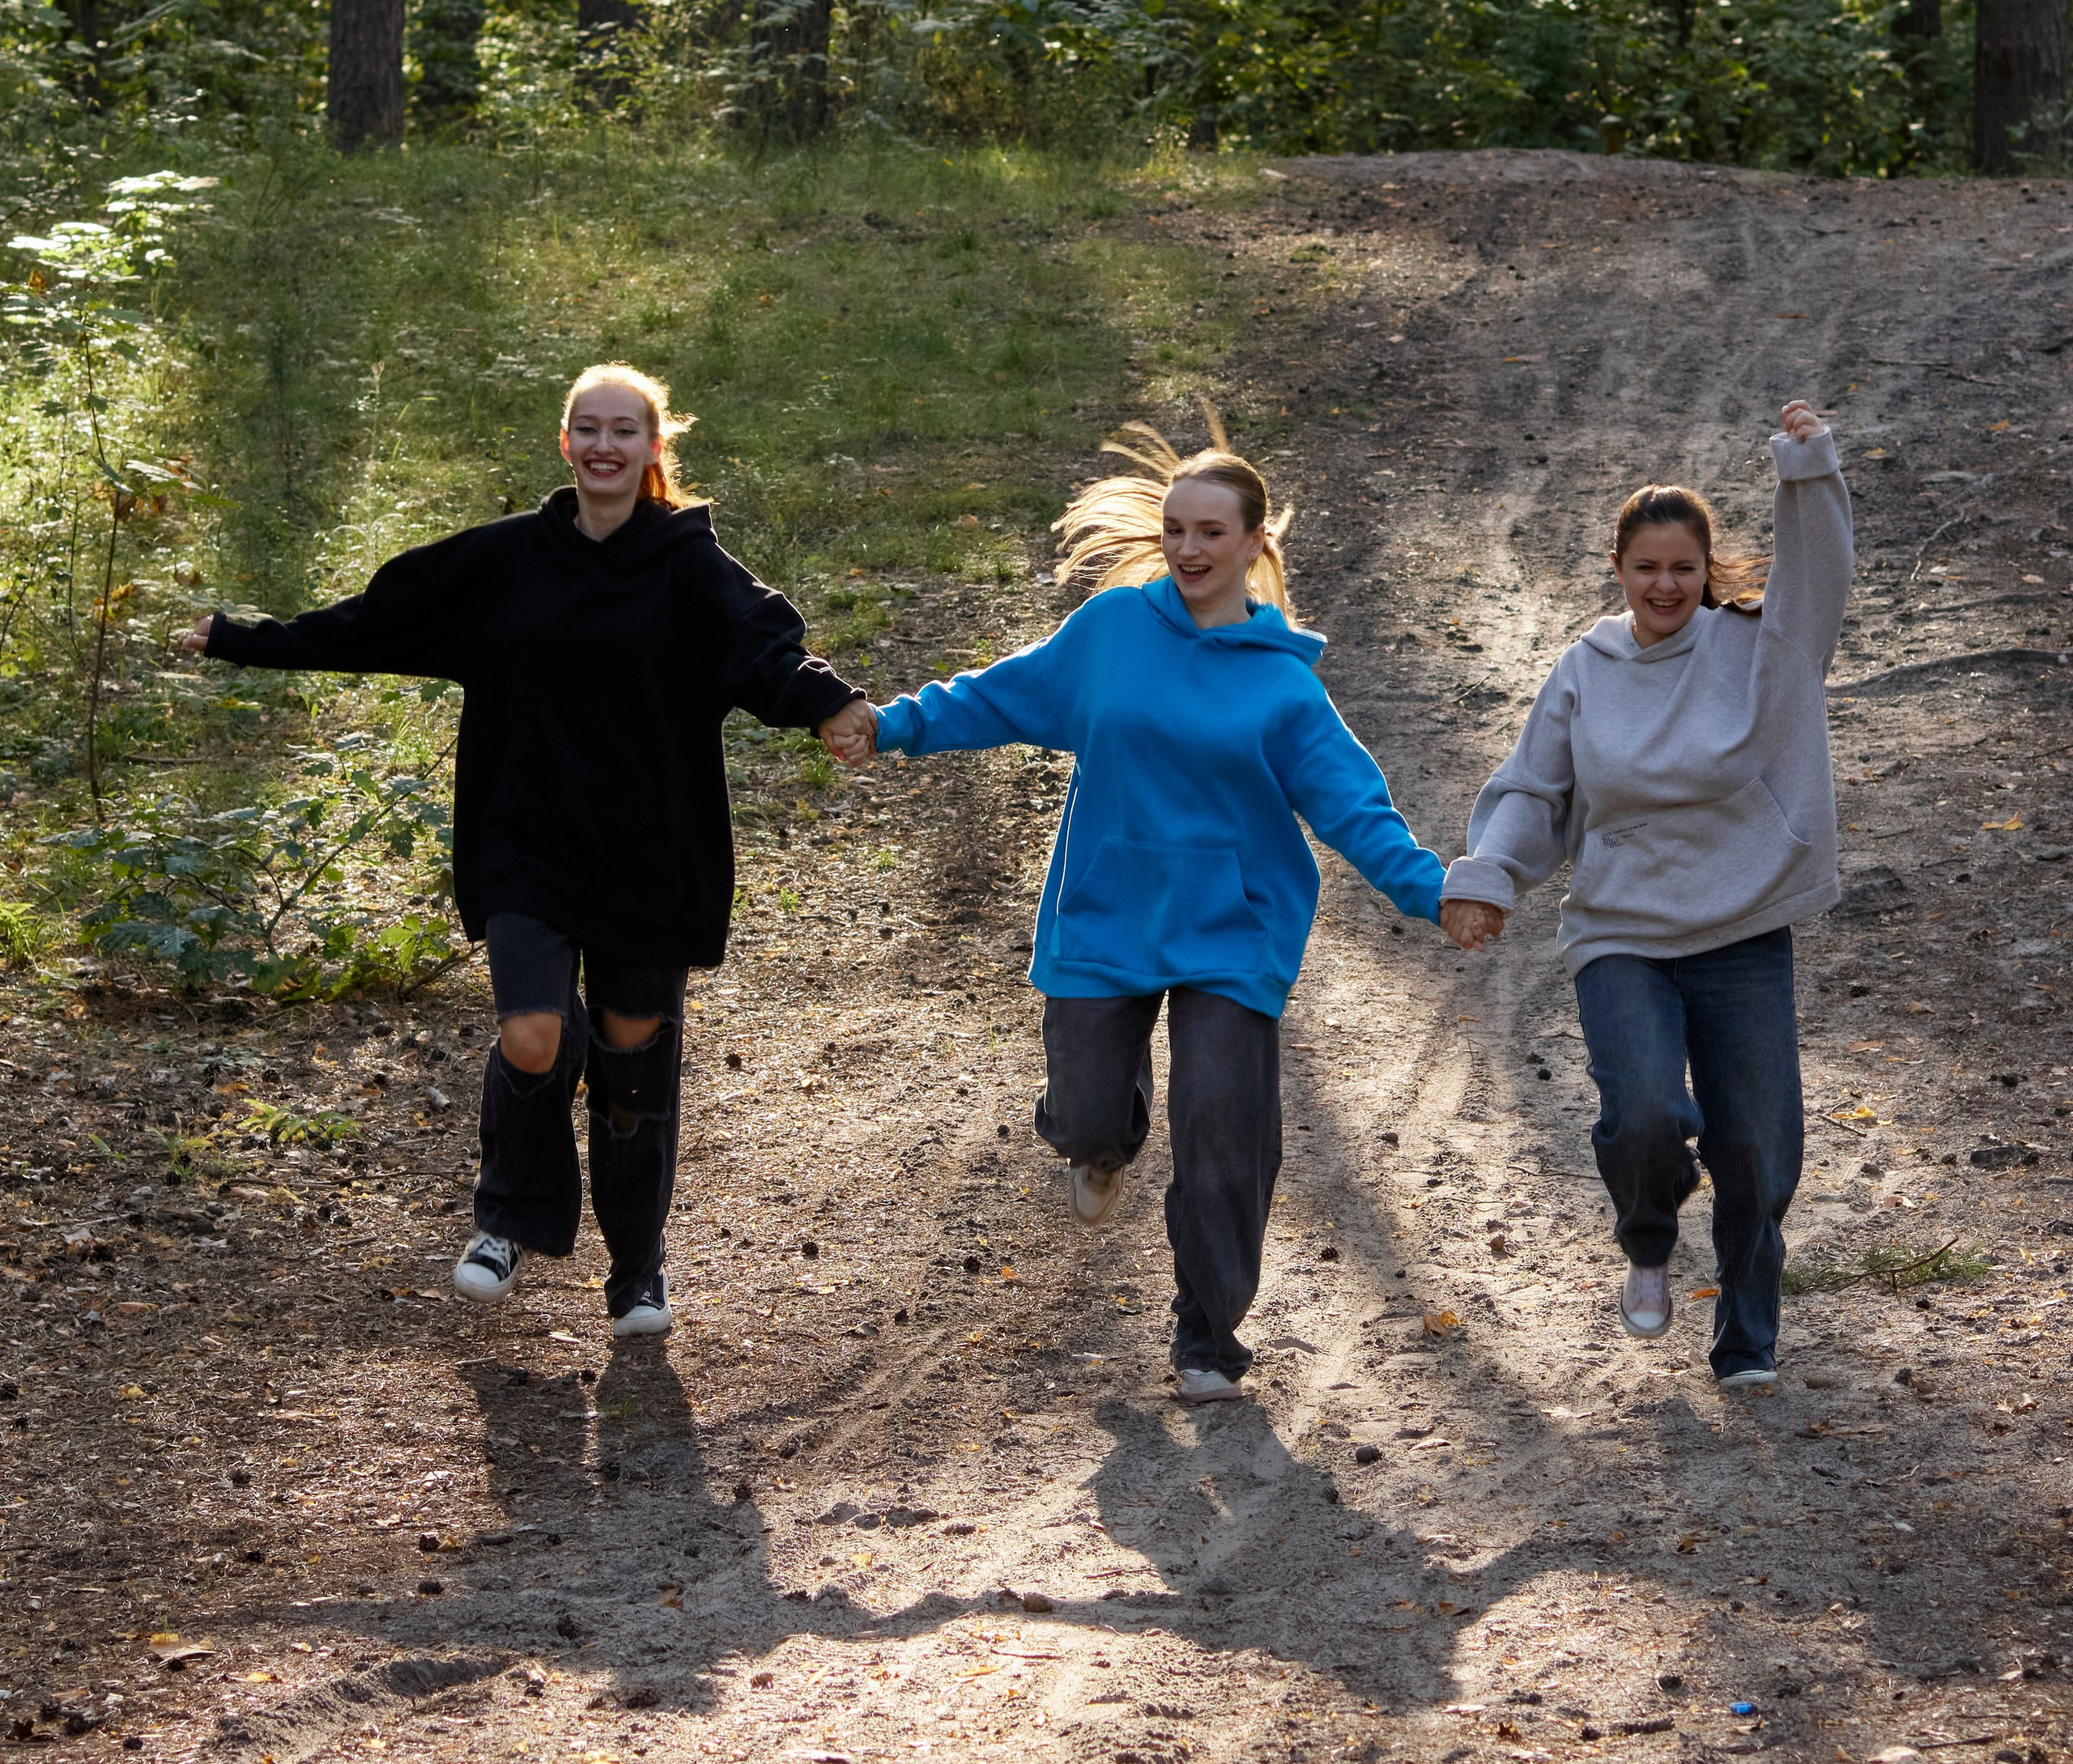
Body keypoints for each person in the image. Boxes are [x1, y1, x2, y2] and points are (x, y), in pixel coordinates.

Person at [180, 366, 871, 1340]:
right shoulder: (504, 562)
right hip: (525, 840)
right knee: (534, 1033)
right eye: (586, 429)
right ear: (564, 443)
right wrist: (247, 642)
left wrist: (831, 704)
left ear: (652, 449)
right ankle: (508, 1219)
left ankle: (636, 1270)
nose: (603, 446)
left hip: (650, 853)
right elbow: (380, 620)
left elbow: (765, 651)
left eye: (623, 431)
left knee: (634, 1066)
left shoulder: (689, 566)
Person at [825, 418, 1460, 1402]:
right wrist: (894, 726)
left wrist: (1434, 893)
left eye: (1212, 532)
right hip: (1108, 909)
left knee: (1221, 1123)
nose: (1189, 549)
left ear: (1254, 544)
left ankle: (1206, 1337)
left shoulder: (1283, 686)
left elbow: (1352, 806)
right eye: (1175, 529)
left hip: (1230, 931)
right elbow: (999, 698)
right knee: (1082, 1112)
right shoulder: (1113, 631)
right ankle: (1101, 1142)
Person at [1439, 400, 1850, 1392]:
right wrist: (1487, 878)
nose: (1665, 584)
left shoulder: (1761, 651)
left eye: (1683, 567)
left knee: (1757, 1147)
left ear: (1707, 572)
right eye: (1646, 567)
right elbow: (1533, 790)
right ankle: (1648, 1236)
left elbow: (1821, 577)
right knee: (1644, 1115)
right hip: (1621, 932)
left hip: (1740, 927)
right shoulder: (1584, 671)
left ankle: (1745, 1342)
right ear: (1618, 572)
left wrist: (1808, 471)